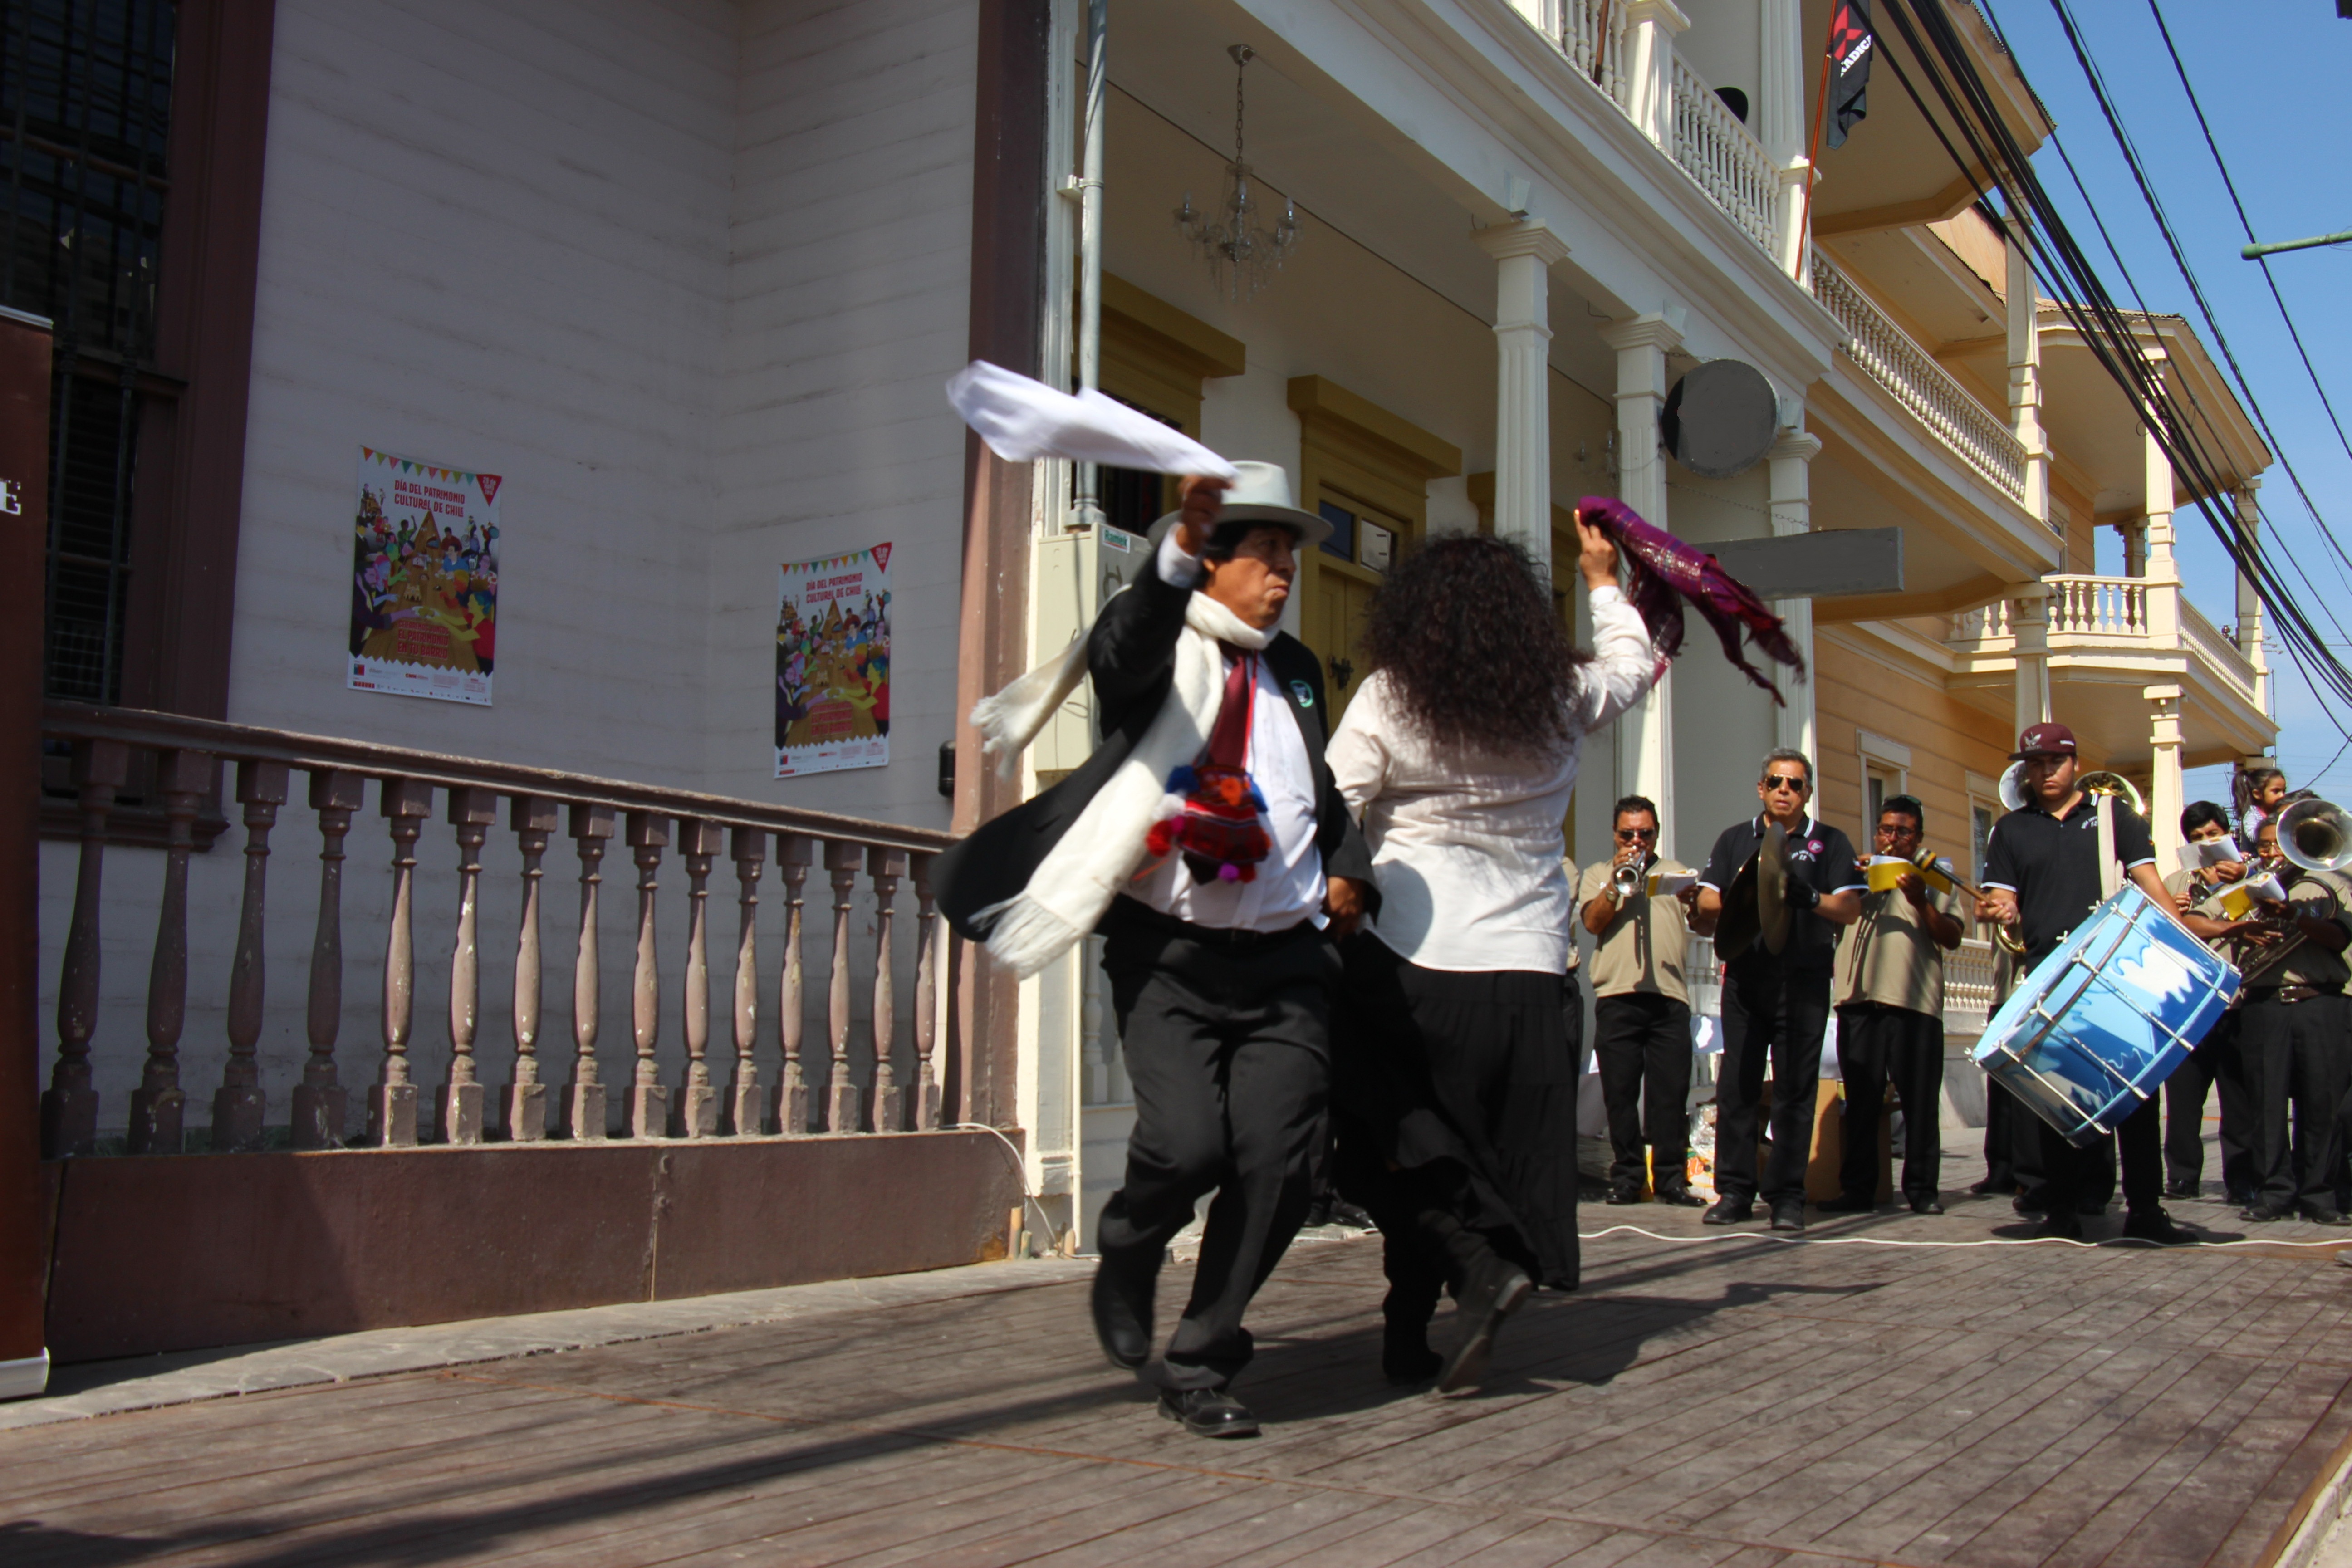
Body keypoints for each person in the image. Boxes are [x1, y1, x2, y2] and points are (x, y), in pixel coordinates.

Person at [933, 462, 1376, 1440]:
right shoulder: (1160, 648)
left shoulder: (1298, 667)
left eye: (1290, 556)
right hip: (1171, 957)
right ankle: (1129, 1247)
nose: (1283, 572)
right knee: (1185, 1147)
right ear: (1210, 560)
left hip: (1288, 962)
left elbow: (1320, 793)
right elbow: (1121, 646)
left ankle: (1202, 1359)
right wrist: (1168, 559)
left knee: (1281, 1165)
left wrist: (1350, 867)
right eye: (1264, 553)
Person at [1326, 523, 1657, 1394]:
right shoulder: (1559, 695)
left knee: (1397, 1149)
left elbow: (1329, 805)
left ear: (1416, 614)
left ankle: (1440, 1301)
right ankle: (1457, 1302)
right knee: (1485, 1161)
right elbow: (1632, 665)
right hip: (1530, 973)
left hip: (1413, 965)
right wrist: (1601, 580)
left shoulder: (1390, 696)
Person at [1976, 723, 2213, 1243]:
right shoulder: (2010, 830)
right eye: (2035, 764)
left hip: (2114, 971)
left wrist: (2188, 951)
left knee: (2137, 1097)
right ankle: (2061, 1209)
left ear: (2075, 763)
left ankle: (2145, 1208)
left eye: (2054, 762)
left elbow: (2151, 885)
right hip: (2049, 975)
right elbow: (2001, 896)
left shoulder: (2114, 817)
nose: (2045, 772)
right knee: (2057, 1098)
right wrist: (1999, 908)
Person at [1690, 751, 1865, 1233]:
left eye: (1795, 784)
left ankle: (1787, 1196)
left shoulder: (1830, 842)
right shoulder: (1735, 839)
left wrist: (1811, 898)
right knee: (1738, 1086)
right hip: (1746, 979)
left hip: (1804, 980)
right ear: (1761, 788)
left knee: (1794, 1090)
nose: (1785, 790)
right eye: (1776, 782)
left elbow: (1850, 908)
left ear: (1807, 793)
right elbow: (1707, 898)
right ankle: (1734, 1191)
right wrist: (1751, 896)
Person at [1821, 797, 1963, 1217]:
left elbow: (1952, 937)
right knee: (1862, 1102)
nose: (1893, 838)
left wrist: (1920, 900)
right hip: (1858, 1000)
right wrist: (1850, 879)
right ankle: (1858, 1190)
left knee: (1919, 1102)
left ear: (1918, 837)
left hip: (1914, 1003)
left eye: (1903, 832)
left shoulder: (1935, 877)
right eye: (1886, 830)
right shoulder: (1854, 873)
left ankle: (1922, 1189)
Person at [1579, 795, 1702, 1207]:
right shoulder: (1598, 873)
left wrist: (1694, 903)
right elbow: (1593, 922)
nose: (1636, 842)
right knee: (1620, 1095)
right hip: (1618, 996)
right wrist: (1616, 883)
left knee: (1670, 1095)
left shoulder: (1676, 872)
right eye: (1627, 834)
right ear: (1614, 835)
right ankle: (1628, 1178)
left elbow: (1704, 924)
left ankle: (1671, 1180)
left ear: (1656, 834)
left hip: (1668, 998)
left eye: (1644, 834)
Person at [2237, 815, 2352, 1224]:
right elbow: (2205, 922)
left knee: (2324, 1102)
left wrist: (2294, 916)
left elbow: (2340, 937)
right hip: (2265, 1003)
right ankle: (2274, 1193)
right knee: (2266, 1103)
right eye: (2266, 845)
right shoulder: (2248, 886)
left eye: (2281, 844)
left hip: (2319, 1001)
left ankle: (2320, 1195)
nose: (2274, 853)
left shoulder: (2332, 884)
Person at [2161, 801, 2257, 1204]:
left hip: (2236, 1002)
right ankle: (2183, 1176)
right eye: (2198, 837)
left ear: (2228, 835)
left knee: (2238, 1098)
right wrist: (2173, 910)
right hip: (2189, 1005)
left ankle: (2242, 1178)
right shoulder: (2175, 881)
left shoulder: (2249, 876)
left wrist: (2227, 887)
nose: (2206, 842)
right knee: (2183, 1098)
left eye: (2214, 834)